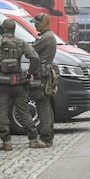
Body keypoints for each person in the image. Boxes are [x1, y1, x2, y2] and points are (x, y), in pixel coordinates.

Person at [0, 18, 46, 151]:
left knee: (2, 113)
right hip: (18, 83)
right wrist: (30, 72)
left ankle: (6, 142)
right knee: (24, 112)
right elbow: (35, 58)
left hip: (1, 84)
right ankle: (33, 139)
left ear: (3, 29)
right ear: (14, 29)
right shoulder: (20, 43)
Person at [30, 13, 57, 146]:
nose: (35, 25)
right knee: (46, 105)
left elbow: (31, 50)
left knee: (43, 106)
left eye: (37, 23)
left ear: (43, 23)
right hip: (46, 74)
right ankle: (48, 136)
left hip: (42, 75)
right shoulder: (49, 36)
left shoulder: (45, 38)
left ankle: (45, 138)